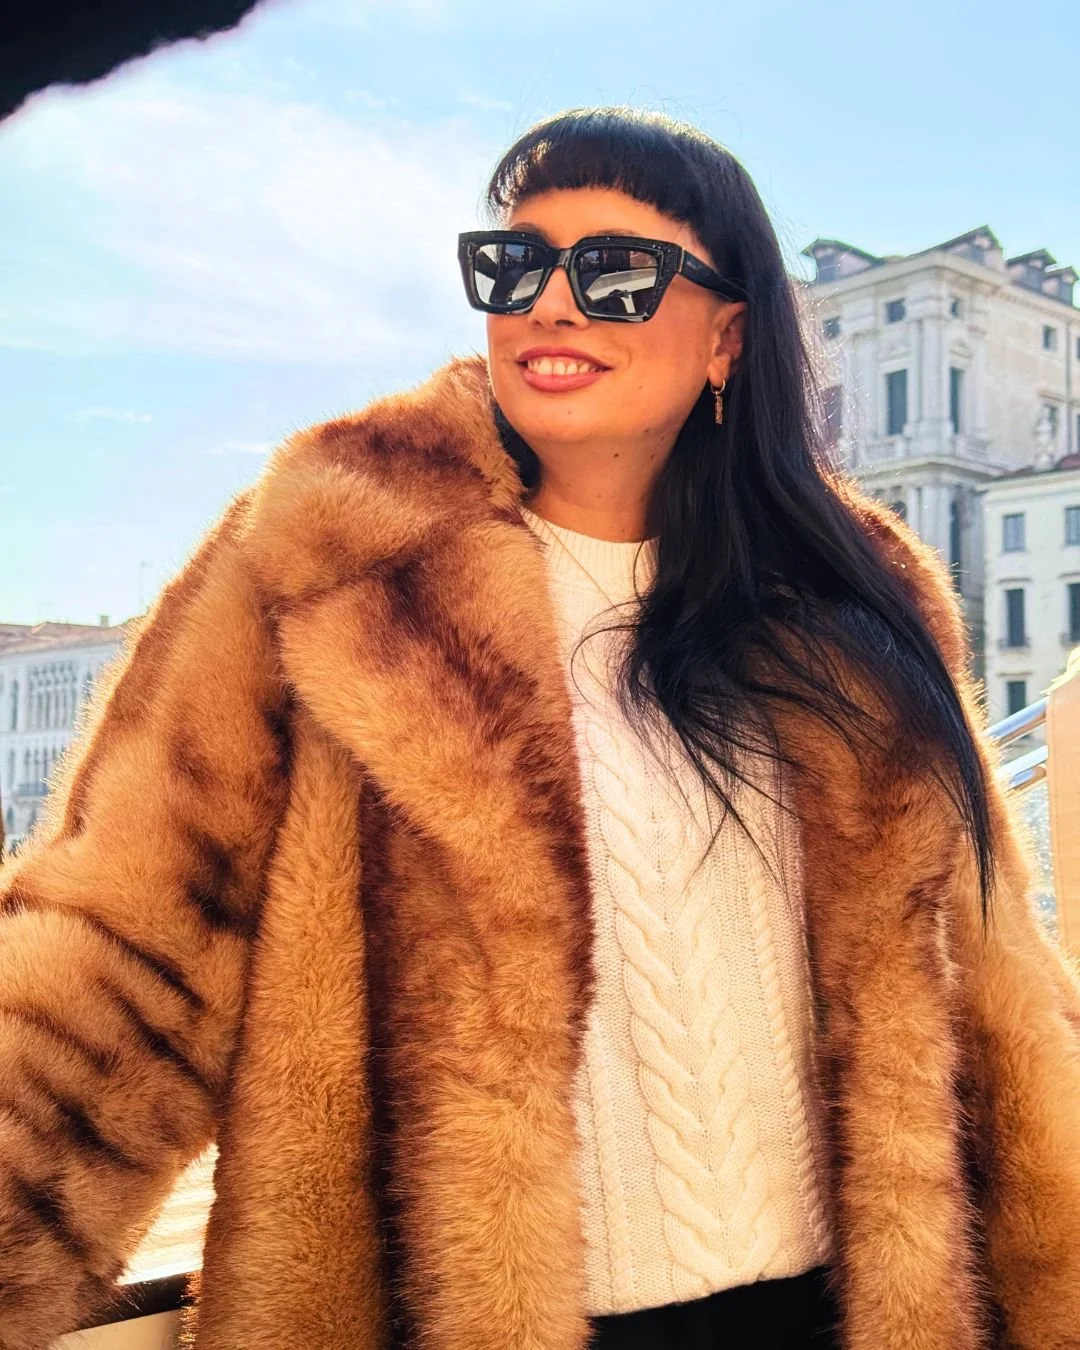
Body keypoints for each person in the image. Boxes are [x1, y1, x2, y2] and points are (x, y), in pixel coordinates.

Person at [1, 106, 1079, 1350]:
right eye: (515, 266)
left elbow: (997, 991)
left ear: (727, 339)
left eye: (617, 273)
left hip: (848, 1312)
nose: (551, 305)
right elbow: (123, 954)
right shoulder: (336, 561)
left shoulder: (852, 598)